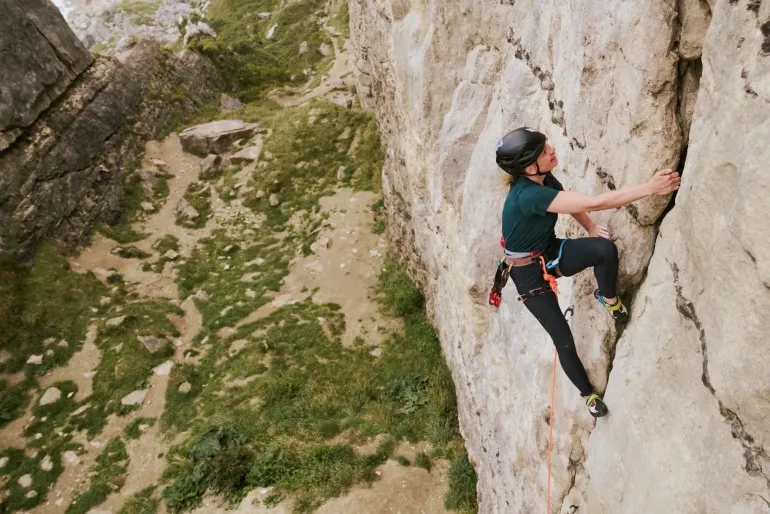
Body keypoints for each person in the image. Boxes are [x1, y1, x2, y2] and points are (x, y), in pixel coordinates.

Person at [494, 127, 681, 417]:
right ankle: (588, 395)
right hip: (528, 274)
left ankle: (608, 298)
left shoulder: (542, 179)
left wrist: (591, 228)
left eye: (548, 145)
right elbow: (593, 203)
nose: (552, 150)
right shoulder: (529, 195)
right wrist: (650, 188)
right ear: (529, 167)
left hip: (547, 251)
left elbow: (568, 201)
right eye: (544, 151)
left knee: (603, 250)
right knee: (563, 339)